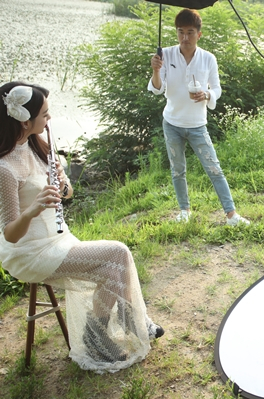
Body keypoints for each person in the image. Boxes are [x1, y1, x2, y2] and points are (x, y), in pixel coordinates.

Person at [0, 82, 164, 372]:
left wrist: (63, 186)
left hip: (58, 238)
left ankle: (99, 333)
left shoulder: (38, 145)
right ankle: (128, 321)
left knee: (113, 268)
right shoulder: (6, 168)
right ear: (25, 120)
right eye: (45, 115)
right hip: (30, 251)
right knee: (118, 252)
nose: (49, 120)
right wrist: (34, 208)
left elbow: (69, 194)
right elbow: (11, 234)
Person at [148, 8, 249, 225]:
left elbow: (218, 89)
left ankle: (231, 215)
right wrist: (156, 70)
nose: (185, 37)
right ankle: (184, 211)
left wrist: (207, 94)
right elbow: (158, 89)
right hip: (172, 122)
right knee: (178, 170)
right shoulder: (164, 55)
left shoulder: (208, 59)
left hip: (197, 125)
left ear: (199, 34)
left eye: (190, 32)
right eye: (180, 32)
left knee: (214, 168)